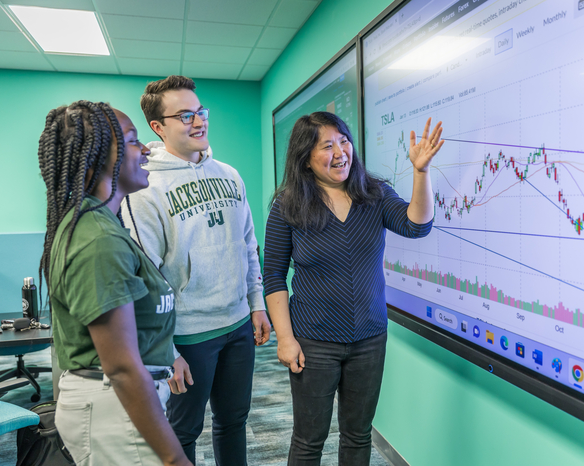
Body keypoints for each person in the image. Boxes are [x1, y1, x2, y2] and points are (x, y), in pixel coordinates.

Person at [263, 111, 444, 465]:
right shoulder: (287, 206)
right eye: (326, 146)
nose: (340, 151)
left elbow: (416, 226)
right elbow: (273, 277)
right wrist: (285, 339)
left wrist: (420, 173)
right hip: (313, 342)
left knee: (358, 435)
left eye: (343, 141)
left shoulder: (373, 194)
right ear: (305, 158)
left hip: (369, 339)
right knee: (308, 440)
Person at [120, 75, 271, 465]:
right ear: (158, 127)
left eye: (200, 111)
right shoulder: (145, 188)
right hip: (187, 336)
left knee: (233, 421)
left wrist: (257, 304)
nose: (199, 121)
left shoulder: (230, 174)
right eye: (185, 115)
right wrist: (166, 350)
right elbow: (145, 277)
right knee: (183, 432)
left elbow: (248, 245)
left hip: (237, 324)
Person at [38, 100, 192, 466]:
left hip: (120, 406)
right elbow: (122, 367)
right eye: (134, 140)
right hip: (114, 411)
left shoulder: (101, 226)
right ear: (98, 158)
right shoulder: (97, 239)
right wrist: (175, 458)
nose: (146, 150)